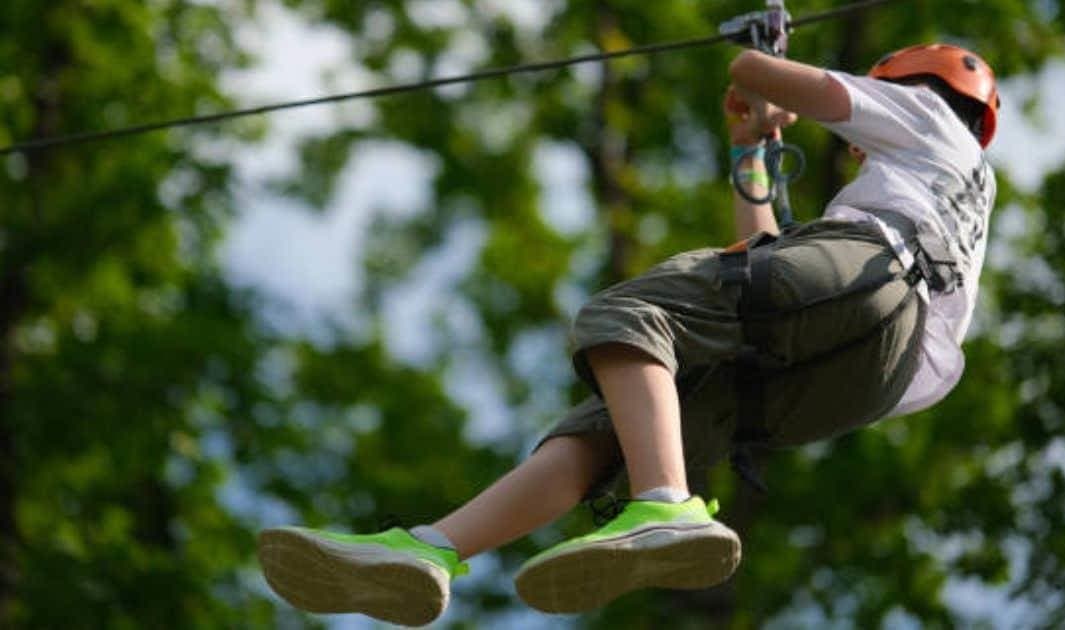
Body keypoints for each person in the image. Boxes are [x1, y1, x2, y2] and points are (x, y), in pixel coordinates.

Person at [257, 42, 1000, 626]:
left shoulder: (924, 116)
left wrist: (764, 71)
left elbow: (751, 67)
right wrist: (752, 152)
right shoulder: (938, 194)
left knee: (631, 315)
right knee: (617, 423)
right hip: (873, 375)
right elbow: (767, 262)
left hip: (874, 281)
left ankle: (664, 506)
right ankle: (433, 549)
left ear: (912, 83)